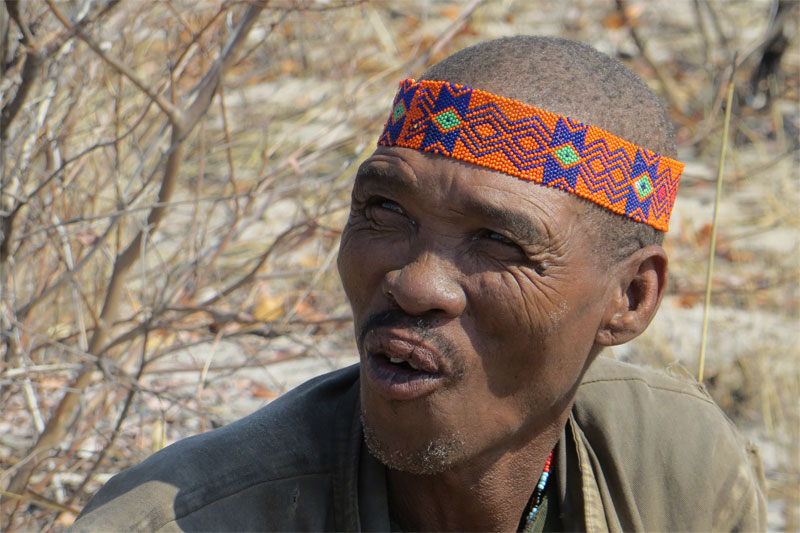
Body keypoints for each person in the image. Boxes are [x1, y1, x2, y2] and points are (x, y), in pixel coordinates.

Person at [70, 36, 765, 532]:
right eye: (385, 210)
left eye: (498, 241)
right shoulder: (183, 520)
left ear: (631, 299)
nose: (415, 283)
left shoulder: (675, 467)